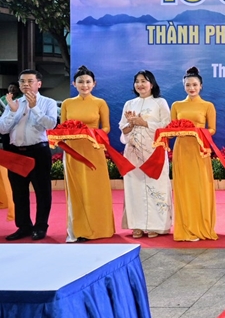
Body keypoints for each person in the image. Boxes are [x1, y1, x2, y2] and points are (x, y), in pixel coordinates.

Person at [0, 69, 57, 241]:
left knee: (42, 191)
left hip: (38, 151)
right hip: (16, 153)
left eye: (30, 81)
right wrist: (11, 111)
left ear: (39, 84)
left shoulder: (48, 102)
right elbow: (2, 129)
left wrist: (35, 109)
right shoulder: (14, 103)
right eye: (22, 81)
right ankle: (24, 226)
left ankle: (40, 227)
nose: (25, 84)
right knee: (19, 192)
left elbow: (51, 124)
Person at [60, 65, 115, 242]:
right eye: (81, 82)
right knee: (77, 190)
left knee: (95, 190)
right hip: (72, 151)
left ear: (94, 84)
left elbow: (106, 128)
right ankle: (78, 229)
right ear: (73, 84)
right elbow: (62, 128)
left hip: (93, 150)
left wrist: (91, 133)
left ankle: (99, 228)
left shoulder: (100, 103)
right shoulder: (67, 103)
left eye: (88, 82)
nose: (84, 85)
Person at [119, 70, 172, 239]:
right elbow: (123, 129)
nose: (140, 84)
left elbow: (167, 127)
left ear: (152, 84)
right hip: (133, 153)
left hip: (154, 152)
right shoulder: (129, 104)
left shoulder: (160, 102)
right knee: (134, 189)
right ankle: (137, 225)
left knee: (156, 187)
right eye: (137, 81)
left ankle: (156, 226)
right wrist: (130, 124)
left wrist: (144, 122)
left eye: (144, 81)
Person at [171, 66, 218, 241]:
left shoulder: (208, 106)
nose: (191, 88)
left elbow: (212, 129)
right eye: (188, 85)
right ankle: (185, 228)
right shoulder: (176, 105)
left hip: (200, 150)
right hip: (182, 149)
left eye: (195, 85)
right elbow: (172, 128)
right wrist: (180, 131)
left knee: (200, 188)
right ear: (184, 86)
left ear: (201, 86)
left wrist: (197, 131)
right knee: (183, 187)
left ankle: (202, 226)